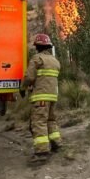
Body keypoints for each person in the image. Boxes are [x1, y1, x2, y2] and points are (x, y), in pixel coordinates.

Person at [22, 33, 62, 162]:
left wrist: (22, 88)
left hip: (41, 97)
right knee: (51, 120)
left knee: (39, 122)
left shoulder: (37, 59)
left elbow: (29, 77)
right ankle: (57, 144)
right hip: (53, 96)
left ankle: (42, 152)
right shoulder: (55, 61)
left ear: (37, 47)